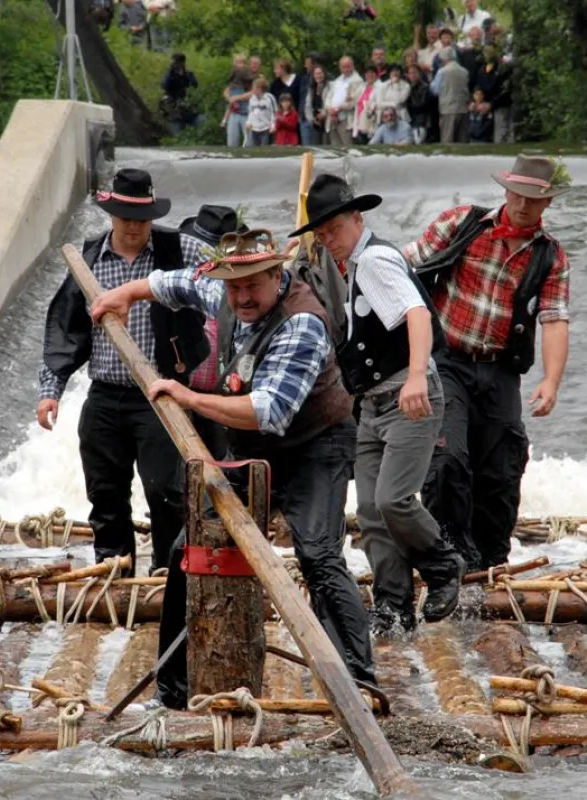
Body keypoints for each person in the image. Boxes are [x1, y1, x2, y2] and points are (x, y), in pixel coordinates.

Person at [90, 230, 376, 706]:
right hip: (250, 447)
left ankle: (359, 686)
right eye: (233, 288)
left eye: (252, 287)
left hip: (314, 446)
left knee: (318, 556)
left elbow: (269, 411)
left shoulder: (302, 322)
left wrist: (187, 396)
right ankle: (173, 689)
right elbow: (171, 284)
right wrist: (124, 294)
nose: (242, 297)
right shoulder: (221, 292)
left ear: (275, 275)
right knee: (190, 551)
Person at [291, 176, 462, 632]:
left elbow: (418, 313)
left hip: (407, 398)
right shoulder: (355, 267)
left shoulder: (374, 260)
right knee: (370, 513)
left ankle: (444, 567)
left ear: (357, 219)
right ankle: (393, 606)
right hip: (373, 406)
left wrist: (418, 377)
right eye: (321, 234)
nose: (328, 241)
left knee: (392, 500)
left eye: (334, 230)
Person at [402, 155, 572, 570]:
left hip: (500, 371)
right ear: (505, 190)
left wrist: (551, 381)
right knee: (447, 461)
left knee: (501, 472)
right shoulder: (462, 224)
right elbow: (403, 264)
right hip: (447, 362)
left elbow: (554, 320)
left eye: (534, 198)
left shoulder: (551, 257)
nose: (523, 205)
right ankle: (448, 557)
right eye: (518, 194)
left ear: (547, 203)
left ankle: (490, 563)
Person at [39, 169, 210, 573]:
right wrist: (51, 389)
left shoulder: (179, 249)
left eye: (142, 218)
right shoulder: (89, 260)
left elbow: (221, 273)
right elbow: (66, 326)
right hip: (105, 393)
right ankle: (112, 570)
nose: (134, 226)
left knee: (166, 491)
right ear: (111, 215)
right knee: (105, 489)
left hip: (160, 393)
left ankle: (168, 574)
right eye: (126, 217)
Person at [178, 205, 248, 459]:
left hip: (225, 397)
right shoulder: (181, 283)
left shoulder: (243, 293)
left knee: (222, 464)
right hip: (182, 389)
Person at [430, 47, 470, 143]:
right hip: (463, 110)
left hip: (448, 110)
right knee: (462, 142)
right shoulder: (464, 71)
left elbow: (435, 90)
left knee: (448, 141)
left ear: (443, 59)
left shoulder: (442, 71)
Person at [325, 56, 363, 146]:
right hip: (332, 118)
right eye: (343, 67)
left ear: (353, 66)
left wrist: (336, 109)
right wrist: (329, 109)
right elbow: (328, 97)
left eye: (348, 66)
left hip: (346, 119)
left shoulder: (358, 81)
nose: (346, 69)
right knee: (335, 148)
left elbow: (353, 102)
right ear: (340, 67)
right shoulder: (337, 80)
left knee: (347, 148)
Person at [160, 53, 199, 134]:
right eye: (174, 63)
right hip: (175, 113)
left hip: (189, 110)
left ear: (182, 63)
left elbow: (194, 85)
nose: (175, 65)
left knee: (201, 124)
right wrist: (171, 72)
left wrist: (184, 75)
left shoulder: (189, 74)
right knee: (177, 135)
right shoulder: (169, 75)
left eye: (177, 63)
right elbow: (164, 85)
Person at [223, 55, 253, 148]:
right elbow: (226, 91)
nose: (240, 65)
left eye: (242, 62)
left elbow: (253, 92)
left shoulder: (252, 76)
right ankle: (224, 120)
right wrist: (231, 99)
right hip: (234, 113)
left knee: (249, 142)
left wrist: (236, 98)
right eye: (238, 62)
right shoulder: (235, 72)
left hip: (247, 114)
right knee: (232, 142)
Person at [244, 76, 278, 146]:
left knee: (264, 147)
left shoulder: (269, 98)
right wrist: (248, 123)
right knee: (255, 148)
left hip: (266, 128)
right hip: (254, 128)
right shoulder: (252, 99)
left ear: (260, 88)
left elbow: (274, 113)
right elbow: (250, 113)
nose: (253, 89)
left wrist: (273, 125)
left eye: (254, 87)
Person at [351, 66, 380, 145]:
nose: (369, 75)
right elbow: (354, 100)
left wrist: (372, 106)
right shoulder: (362, 87)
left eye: (372, 73)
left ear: (376, 74)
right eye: (367, 73)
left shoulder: (380, 87)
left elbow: (380, 103)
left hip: (372, 122)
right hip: (360, 121)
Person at [304, 64, 330, 146]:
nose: (318, 76)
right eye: (316, 74)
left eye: (320, 73)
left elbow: (331, 102)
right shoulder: (311, 88)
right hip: (316, 122)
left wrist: (324, 113)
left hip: (328, 120)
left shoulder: (330, 86)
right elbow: (307, 105)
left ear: (324, 74)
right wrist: (311, 119)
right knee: (317, 146)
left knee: (327, 145)